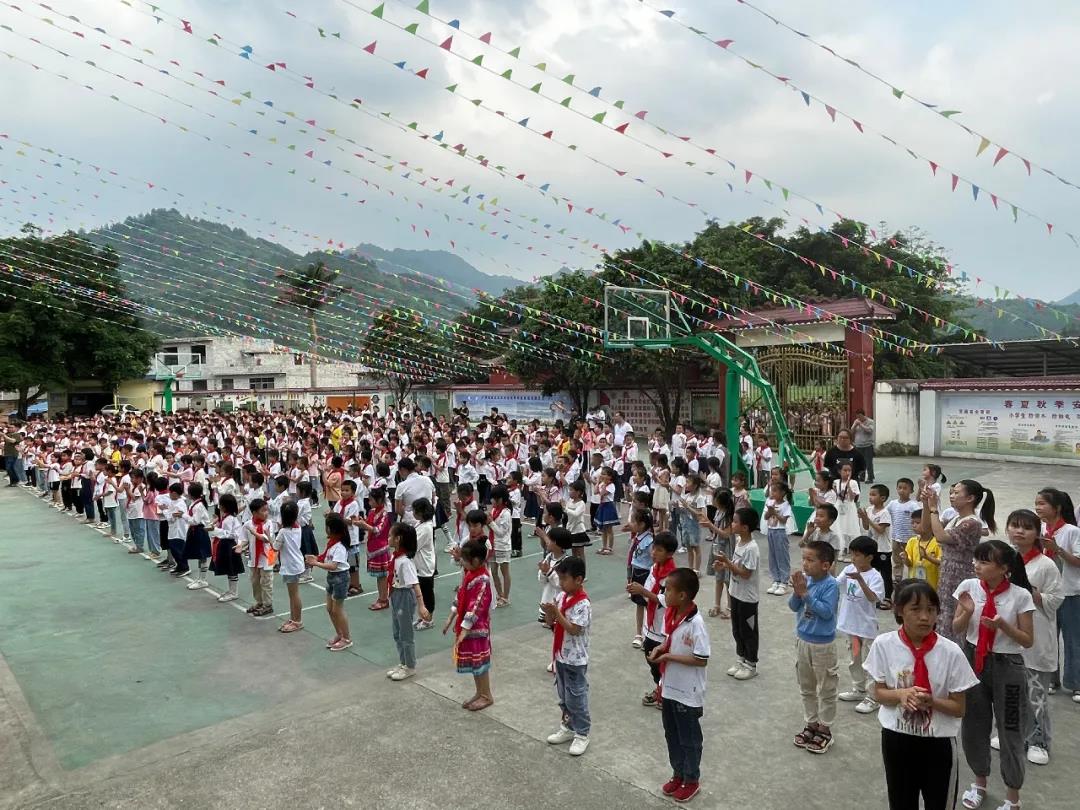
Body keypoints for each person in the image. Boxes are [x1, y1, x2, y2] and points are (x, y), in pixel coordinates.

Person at [865, 580, 979, 810]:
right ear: (899, 611)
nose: (925, 617)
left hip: (938, 744)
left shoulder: (951, 652)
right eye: (915, 609)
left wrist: (932, 701)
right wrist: (900, 694)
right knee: (901, 802)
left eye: (931, 610)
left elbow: (959, 708)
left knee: (939, 803)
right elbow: (878, 692)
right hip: (897, 739)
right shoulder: (884, 645)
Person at [953, 540, 1034, 810]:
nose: (976, 565)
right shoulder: (968, 587)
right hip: (973, 659)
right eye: (976, 559)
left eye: (985, 561)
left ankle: (1013, 797)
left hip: (1007, 666)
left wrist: (1003, 626)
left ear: (1004, 568)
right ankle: (979, 784)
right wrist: (966, 613)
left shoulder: (1020, 595)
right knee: (974, 725)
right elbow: (957, 628)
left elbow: (1027, 640)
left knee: (1010, 728)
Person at [649, 567, 710, 803]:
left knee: (690, 739)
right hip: (670, 688)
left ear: (683, 595)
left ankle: (692, 779)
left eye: (669, 590)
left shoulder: (696, 623)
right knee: (672, 734)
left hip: (688, 693)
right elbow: (669, 641)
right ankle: (678, 774)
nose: (665, 592)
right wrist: (661, 649)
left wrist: (668, 658)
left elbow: (701, 659)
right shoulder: (672, 615)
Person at [1006, 509, 1061, 766]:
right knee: (1010, 690)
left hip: (1036, 635)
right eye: (1015, 526)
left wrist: (1036, 595)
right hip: (1008, 636)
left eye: (1026, 528)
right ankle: (1011, 734)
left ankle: (1038, 741)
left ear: (1037, 533)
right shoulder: (1004, 558)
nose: (1020, 531)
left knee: (1035, 692)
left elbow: (1056, 599)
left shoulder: (1046, 564)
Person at [923, 479, 996, 643]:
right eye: (952, 493)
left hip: (960, 576)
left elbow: (941, 536)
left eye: (957, 493)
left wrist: (934, 509)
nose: (952, 496)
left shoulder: (971, 523)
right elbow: (927, 528)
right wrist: (926, 504)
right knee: (945, 617)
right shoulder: (956, 519)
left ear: (970, 498)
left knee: (956, 620)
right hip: (947, 575)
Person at [789, 540, 840, 754]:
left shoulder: (831, 585)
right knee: (806, 686)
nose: (805, 564)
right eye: (804, 559)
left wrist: (805, 594)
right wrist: (797, 591)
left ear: (825, 565)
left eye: (810, 560)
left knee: (826, 688)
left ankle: (825, 729)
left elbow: (826, 612)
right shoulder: (806, 581)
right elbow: (793, 607)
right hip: (803, 640)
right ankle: (811, 724)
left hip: (823, 645)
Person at [542, 556, 592, 757]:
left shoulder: (583, 604)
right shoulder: (563, 598)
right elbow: (551, 624)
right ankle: (568, 726)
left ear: (578, 580)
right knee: (563, 695)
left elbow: (573, 629)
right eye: (560, 579)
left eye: (564, 579)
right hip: (561, 656)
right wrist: (549, 613)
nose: (561, 583)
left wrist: (557, 613)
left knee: (576, 696)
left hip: (575, 659)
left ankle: (582, 733)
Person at [1036, 487, 1080, 703]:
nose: (1038, 507)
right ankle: (1052, 679)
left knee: (1073, 640)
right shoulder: (1040, 529)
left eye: (1042, 504)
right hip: (1046, 594)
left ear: (1057, 508)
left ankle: (1075, 683)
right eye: (1037, 503)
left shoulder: (1071, 531)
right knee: (1048, 638)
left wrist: (1058, 549)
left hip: (1070, 593)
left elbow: (1078, 561)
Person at [628, 531, 678, 708]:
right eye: (653, 549)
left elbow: (665, 600)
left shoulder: (672, 576)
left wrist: (642, 591)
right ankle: (660, 688)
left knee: (661, 660)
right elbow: (650, 593)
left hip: (663, 626)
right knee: (651, 658)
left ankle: (665, 692)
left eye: (659, 550)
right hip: (651, 624)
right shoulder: (654, 569)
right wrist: (640, 590)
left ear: (670, 554)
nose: (653, 553)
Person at [836, 536, 886, 714]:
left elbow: (874, 598)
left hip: (866, 628)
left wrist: (860, 581)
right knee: (855, 659)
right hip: (851, 626)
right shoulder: (849, 569)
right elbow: (836, 584)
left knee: (869, 661)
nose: (853, 558)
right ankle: (859, 689)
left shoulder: (875, 576)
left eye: (857, 555)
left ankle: (873, 697)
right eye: (852, 554)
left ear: (869, 557)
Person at [444, 538, 494, 711]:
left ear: (475, 561)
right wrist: (451, 616)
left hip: (477, 629)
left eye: (464, 559)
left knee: (480, 663)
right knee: (475, 663)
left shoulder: (482, 579)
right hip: (468, 627)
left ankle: (486, 694)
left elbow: (476, 605)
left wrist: (465, 629)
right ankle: (479, 692)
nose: (462, 562)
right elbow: (461, 596)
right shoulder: (470, 575)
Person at [714, 506, 760, 680]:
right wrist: (724, 565)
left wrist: (727, 561)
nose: (731, 524)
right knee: (737, 629)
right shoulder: (740, 543)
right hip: (735, 594)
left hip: (748, 598)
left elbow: (746, 573)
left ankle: (751, 663)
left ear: (745, 527)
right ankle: (741, 658)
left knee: (749, 631)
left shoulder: (751, 548)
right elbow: (736, 566)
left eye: (734, 521)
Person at [385, 522, 432, 681]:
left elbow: (415, 584)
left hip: (404, 596)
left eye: (391, 535)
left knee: (406, 634)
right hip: (395, 595)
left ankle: (410, 666)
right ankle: (403, 662)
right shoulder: (395, 557)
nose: (388, 537)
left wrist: (421, 606)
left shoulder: (405, 561)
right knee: (397, 632)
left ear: (398, 539)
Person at [305, 513, 352, 652]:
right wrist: (315, 559)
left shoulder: (340, 547)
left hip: (340, 578)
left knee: (338, 609)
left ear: (332, 529)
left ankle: (347, 638)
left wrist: (316, 563)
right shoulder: (331, 543)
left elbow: (333, 565)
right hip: (332, 578)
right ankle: (340, 634)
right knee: (330, 609)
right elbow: (325, 558)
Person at [702, 488, 735, 619]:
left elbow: (726, 534)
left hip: (726, 549)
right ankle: (717, 605)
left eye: (714, 497)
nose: (712, 499)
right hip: (717, 546)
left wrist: (710, 526)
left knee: (727, 579)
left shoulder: (728, 516)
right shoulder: (718, 512)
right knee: (718, 577)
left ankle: (730, 607)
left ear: (720, 501)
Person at [860, 483, 894, 608]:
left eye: (874, 495)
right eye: (870, 494)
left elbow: (880, 530)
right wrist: (864, 518)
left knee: (885, 574)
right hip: (872, 548)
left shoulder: (884, 513)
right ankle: (874, 594)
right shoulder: (869, 510)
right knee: (873, 572)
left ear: (883, 498)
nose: (870, 497)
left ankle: (887, 597)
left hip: (883, 549)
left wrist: (867, 519)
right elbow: (865, 527)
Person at [625, 509, 655, 649]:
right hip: (636, 573)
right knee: (639, 604)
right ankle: (639, 634)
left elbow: (654, 560)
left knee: (649, 605)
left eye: (633, 521)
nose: (630, 523)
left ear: (642, 524)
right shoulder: (637, 537)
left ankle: (649, 633)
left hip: (646, 575)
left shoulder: (649, 540)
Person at [241, 498, 275, 617]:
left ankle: (268, 604)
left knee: (266, 582)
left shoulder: (269, 524)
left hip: (268, 556)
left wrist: (254, 533)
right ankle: (259, 602)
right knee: (255, 582)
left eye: (267, 510)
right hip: (254, 557)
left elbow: (266, 539)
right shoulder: (248, 524)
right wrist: (240, 546)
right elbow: (244, 540)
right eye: (263, 510)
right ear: (254, 513)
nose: (266, 513)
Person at [274, 500, 304, 633]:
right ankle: (293, 618)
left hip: (291, 566)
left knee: (294, 595)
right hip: (296, 563)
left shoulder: (283, 532)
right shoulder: (298, 528)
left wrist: (267, 537)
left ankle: (297, 621)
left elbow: (275, 548)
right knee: (292, 595)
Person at [209, 492, 244, 602]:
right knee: (230, 569)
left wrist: (214, 530)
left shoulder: (229, 519)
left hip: (229, 545)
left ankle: (234, 592)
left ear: (224, 506)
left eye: (220, 504)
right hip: (226, 544)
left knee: (232, 569)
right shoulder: (227, 517)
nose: (219, 506)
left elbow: (229, 534)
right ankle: (231, 590)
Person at [887, 478, 920, 591]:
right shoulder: (892, 504)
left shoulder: (913, 505)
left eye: (905, 488)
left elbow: (919, 518)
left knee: (911, 560)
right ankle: (898, 578)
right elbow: (886, 514)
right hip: (896, 537)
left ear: (911, 491)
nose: (902, 490)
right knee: (897, 560)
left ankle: (914, 578)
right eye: (900, 487)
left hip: (910, 539)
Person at [763, 481, 793, 596]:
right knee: (773, 555)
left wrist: (774, 511)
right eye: (772, 490)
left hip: (780, 531)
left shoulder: (786, 505)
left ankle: (784, 581)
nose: (772, 493)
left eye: (775, 490)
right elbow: (766, 517)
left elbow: (784, 520)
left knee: (782, 556)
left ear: (783, 493)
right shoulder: (770, 502)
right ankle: (776, 579)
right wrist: (770, 511)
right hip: (771, 530)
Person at [411, 497, 437, 629]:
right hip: (419, 565)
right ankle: (422, 616)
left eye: (415, 511)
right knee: (419, 593)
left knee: (427, 594)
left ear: (421, 512)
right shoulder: (420, 524)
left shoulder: (426, 527)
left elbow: (414, 545)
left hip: (425, 566)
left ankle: (429, 619)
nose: (413, 513)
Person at [901, 509, 942, 589]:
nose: (914, 525)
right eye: (912, 523)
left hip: (932, 585)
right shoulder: (912, 541)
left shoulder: (937, 542)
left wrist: (927, 557)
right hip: (914, 584)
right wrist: (905, 558)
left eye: (917, 523)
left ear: (928, 523)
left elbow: (941, 562)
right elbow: (909, 564)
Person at [183, 482, 213, 589]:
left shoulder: (199, 505)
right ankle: (200, 578)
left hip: (200, 531)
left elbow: (195, 521)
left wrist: (183, 515)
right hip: (194, 530)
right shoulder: (194, 503)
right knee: (199, 555)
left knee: (202, 555)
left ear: (191, 494)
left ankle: (203, 580)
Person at [488, 484, 513, 608]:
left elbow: (502, 532)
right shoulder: (493, 510)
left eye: (495, 499)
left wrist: (490, 522)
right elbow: (492, 529)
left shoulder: (506, 514)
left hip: (503, 546)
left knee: (504, 572)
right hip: (493, 545)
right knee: (493, 571)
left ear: (502, 499)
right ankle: (499, 593)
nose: (492, 501)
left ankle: (506, 597)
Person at [850, 409, 876, 483]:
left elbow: (869, 430)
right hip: (858, 445)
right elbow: (851, 431)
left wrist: (861, 425)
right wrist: (855, 425)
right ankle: (861, 477)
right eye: (857, 416)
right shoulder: (856, 421)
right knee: (860, 462)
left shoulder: (870, 421)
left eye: (860, 416)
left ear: (863, 415)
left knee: (868, 462)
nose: (859, 418)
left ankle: (870, 478)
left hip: (868, 445)